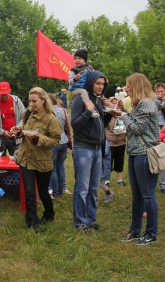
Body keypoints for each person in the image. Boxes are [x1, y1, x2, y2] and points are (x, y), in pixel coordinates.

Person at [110, 73, 160, 245]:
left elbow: (137, 128)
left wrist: (122, 116)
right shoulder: (140, 104)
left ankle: (151, 233)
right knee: (137, 195)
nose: (127, 89)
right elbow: (135, 122)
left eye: (129, 86)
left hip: (144, 153)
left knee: (147, 194)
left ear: (137, 86)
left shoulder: (147, 103)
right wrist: (124, 112)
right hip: (135, 152)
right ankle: (135, 230)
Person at [10, 87, 62, 231]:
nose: (31, 104)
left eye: (34, 101)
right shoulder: (28, 114)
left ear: (43, 101)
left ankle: (49, 214)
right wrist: (19, 132)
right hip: (25, 159)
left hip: (42, 161)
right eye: (30, 101)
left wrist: (39, 138)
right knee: (29, 192)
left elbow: (55, 140)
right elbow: (24, 130)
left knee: (43, 191)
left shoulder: (51, 119)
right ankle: (32, 222)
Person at [70, 70, 113, 232]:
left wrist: (110, 113)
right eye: (97, 83)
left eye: (103, 84)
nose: (101, 86)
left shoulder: (97, 99)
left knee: (93, 188)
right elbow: (75, 125)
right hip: (83, 148)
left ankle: (90, 219)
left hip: (97, 149)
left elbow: (100, 124)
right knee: (82, 188)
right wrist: (88, 111)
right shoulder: (80, 99)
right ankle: (80, 222)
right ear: (91, 83)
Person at [0, 81, 26, 156]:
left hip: (15, 138)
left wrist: (17, 128)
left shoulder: (17, 101)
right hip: (0, 139)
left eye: (6, 94)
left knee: (17, 159)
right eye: (2, 94)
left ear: (10, 91)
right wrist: (2, 132)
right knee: (0, 161)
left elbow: (24, 117)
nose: (4, 96)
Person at [48, 93, 71, 200]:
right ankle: (61, 190)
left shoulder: (49, 111)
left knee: (53, 169)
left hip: (54, 141)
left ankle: (55, 192)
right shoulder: (63, 110)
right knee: (60, 167)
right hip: (64, 141)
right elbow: (67, 126)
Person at [68, 48, 99, 118]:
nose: (77, 60)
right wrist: (75, 79)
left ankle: (102, 105)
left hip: (86, 88)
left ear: (85, 60)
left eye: (79, 59)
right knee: (83, 91)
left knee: (98, 89)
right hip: (75, 90)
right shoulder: (74, 70)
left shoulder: (90, 68)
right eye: (75, 59)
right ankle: (91, 109)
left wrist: (103, 78)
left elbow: (96, 76)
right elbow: (70, 83)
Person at [104, 96, 127, 187]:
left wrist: (122, 109)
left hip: (121, 142)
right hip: (110, 142)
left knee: (120, 161)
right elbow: (112, 126)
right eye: (113, 103)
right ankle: (106, 180)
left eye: (116, 103)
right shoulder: (107, 115)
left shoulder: (123, 114)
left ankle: (120, 180)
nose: (115, 105)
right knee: (108, 162)